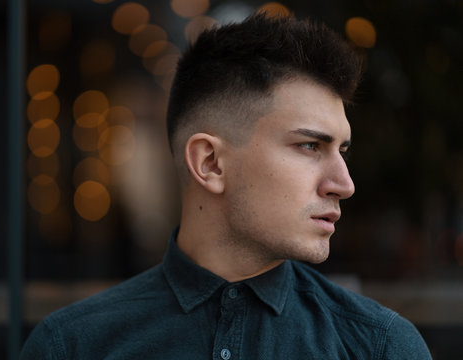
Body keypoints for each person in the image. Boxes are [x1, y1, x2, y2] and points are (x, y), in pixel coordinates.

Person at [21, 13, 432, 359]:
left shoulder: (380, 348)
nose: (344, 184)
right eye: (310, 145)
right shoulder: (71, 346)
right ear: (210, 162)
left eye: (342, 149)